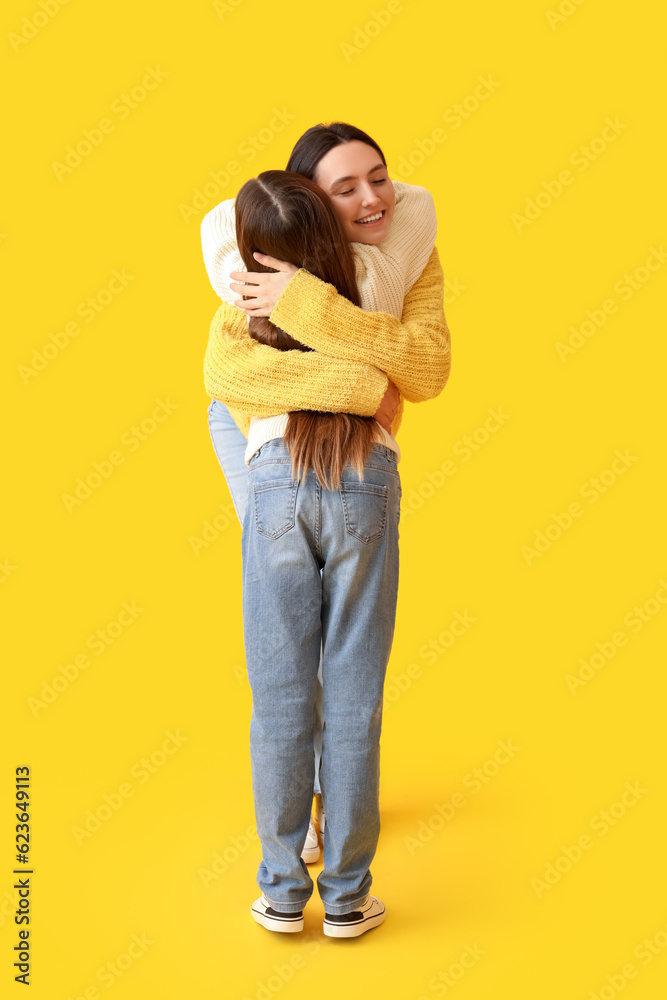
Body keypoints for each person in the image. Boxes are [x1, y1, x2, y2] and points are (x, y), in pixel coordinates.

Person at [201, 123, 449, 871]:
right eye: (346, 188)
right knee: (293, 629)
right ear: (313, 199)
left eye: (378, 176)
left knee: (333, 640)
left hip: (346, 459)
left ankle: (324, 819)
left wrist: (308, 304)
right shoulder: (256, 263)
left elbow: (429, 367)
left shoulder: (409, 259)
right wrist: (366, 381)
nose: (373, 197)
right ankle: (314, 823)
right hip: (259, 440)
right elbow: (229, 377)